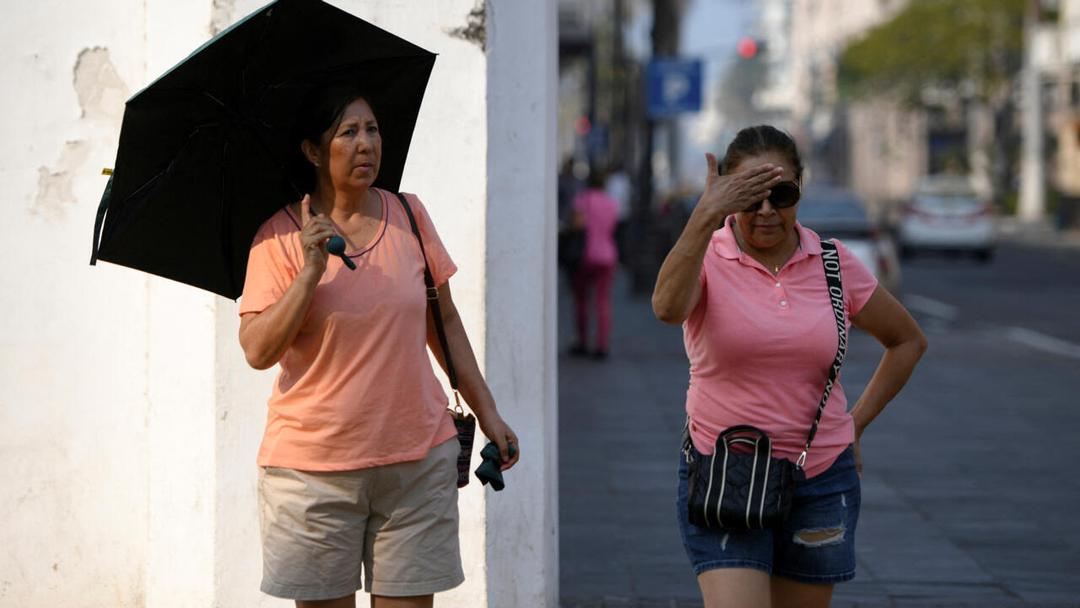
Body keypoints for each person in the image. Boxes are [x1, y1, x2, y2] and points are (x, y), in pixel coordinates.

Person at [238, 84, 519, 608]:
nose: (366, 143)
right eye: (347, 133)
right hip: (312, 474)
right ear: (314, 151)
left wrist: (489, 413)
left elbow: (447, 322)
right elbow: (257, 350)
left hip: (416, 462)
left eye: (372, 129)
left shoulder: (409, 215)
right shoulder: (277, 238)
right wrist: (309, 273)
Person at [652, 125, 927, 608]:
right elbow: (667, 309)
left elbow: (906, 341)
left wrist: (854, 425)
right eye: (747, 195)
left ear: (800, 187)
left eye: (779, 193)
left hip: (820, 479)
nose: (764, 211)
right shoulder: (705, 257)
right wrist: (705, 214)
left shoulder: (833, 262)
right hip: (725, 474)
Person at [570, 168, 620, 360]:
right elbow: (613, 227)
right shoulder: (611, 203)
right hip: (607, 254)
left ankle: (582, 341)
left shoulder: (583, 199)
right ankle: (602, 344)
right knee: (603, 301)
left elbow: (576, 225)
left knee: (582, 301)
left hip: (586, 255)